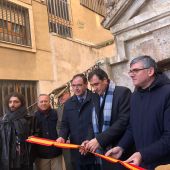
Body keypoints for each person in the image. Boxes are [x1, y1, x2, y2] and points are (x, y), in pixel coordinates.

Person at [105, 55, 170, 169]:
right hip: (142, 163)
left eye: (135, 70)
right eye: (130, 71)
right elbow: (132, 128)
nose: (131, 74)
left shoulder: (167, 93)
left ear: (150, 71)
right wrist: (121, 146)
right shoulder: (135, 96)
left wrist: (143, 154)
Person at [81, 68, 131, 170]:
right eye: (92, 85)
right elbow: (93, 122)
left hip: (120, 149)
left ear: (105, 80)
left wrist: (99, 140)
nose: (94, 89)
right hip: (102, 152)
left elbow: (123, 121)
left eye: (96, 84)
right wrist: (89, 140)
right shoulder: (94, 97)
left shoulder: (123, 92)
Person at [56, 73, 97, 170]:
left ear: (86, 85)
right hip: (76, 149)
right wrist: (62, 136)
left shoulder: (95, 98)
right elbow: (65, 124)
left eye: (79, 85)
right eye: (73, 86)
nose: (76, 88)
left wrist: (89, 140)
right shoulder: (69, 103)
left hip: (93, 148)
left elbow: (96, 123)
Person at [0, 92, 33, 170]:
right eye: (10, 102)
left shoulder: (29, 119)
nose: (12, 104)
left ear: (21, 103)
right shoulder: (3, 121)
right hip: (7, 159)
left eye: (16, 101)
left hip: (24, 159)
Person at [34, 94, 62, 170]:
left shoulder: (56, 114)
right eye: (41, 101)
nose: (43, 103)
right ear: (38, 103)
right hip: (41, 155)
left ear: (49, 102)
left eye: (46, 101)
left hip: (56, 153)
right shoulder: (33, 117)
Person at [57, 89, 73, 170]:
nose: (60, 99)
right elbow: (60, 126)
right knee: (69, 164)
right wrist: (65, 137)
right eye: (59, 97)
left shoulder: (76, 104)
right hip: (66, 142)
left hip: (80, 141)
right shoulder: (59, 109)